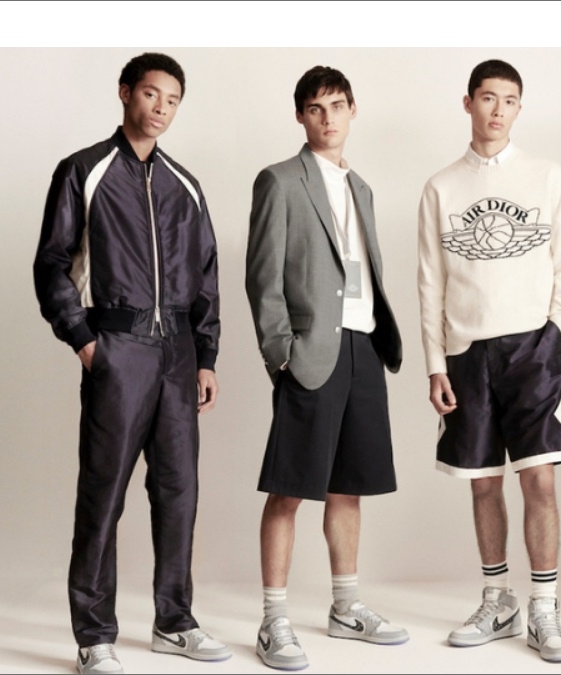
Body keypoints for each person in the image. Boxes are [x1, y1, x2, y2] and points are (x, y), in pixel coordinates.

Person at [33, 52, 228, 675]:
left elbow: (205, 274)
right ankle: (94, 635)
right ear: (125, 93)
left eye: (172, 100)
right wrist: (85, 340)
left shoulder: (184, 184)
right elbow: (52, 264)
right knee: (104, 492)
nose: (161, 108)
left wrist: (205, 356)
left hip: (179, 355)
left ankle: (175, 622)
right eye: (151, 94)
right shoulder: (84, 170)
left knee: (178, 492)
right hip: (118, 348)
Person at [417, 58, 561, 664]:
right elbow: (430, 282)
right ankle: (498, 601)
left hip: (532, 348)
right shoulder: (441, 187)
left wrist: (555, 334)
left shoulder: (546, 176)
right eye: (488, 98)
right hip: (467, 354)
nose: (498, 110)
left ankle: (544, 608)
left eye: (509, 100)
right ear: (468, 102)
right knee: (483, 481)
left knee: (539, 478)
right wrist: (436, 363)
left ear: (520, 108)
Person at [245, 65, 407, 672]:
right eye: (316, 108)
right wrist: (281, 354)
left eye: (337, 105)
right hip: (311, 353)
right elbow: (263, 277)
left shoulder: (361, 187)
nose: (328, 118)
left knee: (347, 488)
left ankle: (346, 607)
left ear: (353, 109)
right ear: (301, 116)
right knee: (289, 488)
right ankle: (273, 620)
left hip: (363, 349)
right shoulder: (280, 180)